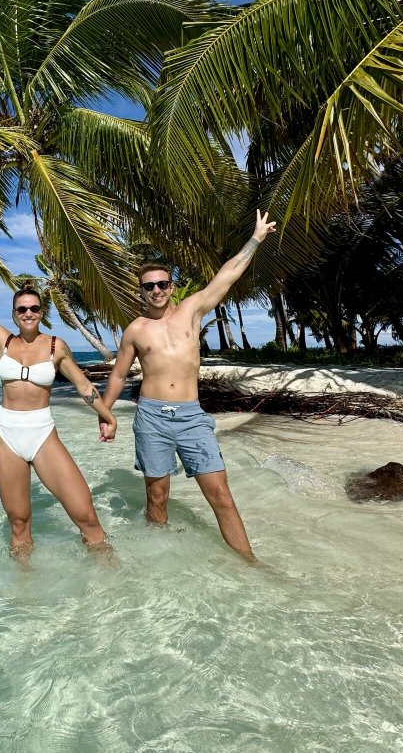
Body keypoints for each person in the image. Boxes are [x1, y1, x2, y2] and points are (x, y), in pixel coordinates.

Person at [100, 210, 278, 560]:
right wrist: (105, 413)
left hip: (192, 417)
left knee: (221, 495)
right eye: (149, 286)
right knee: (157, 498)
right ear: (141, 291)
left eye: (162, 284)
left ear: (172, 287)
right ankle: (162, 563)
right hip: (151, 418)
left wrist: (255, 238)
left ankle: (250, 563)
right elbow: (119, 374)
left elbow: (227, 275)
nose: (156, 290)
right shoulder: (135, 330)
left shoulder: (192, 311)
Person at [0, 250, 117, 556]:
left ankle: (110, 575)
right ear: (14, 314)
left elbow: (83, 386)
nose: (28, 313)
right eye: (22, 309)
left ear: (41, 313)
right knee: (18, 522)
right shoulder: (2, 340)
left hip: (42, 433)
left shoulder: (57, 347)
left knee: (86, 516)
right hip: (7, 435)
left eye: (34, 308)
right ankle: (24, 592)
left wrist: (108, 415)